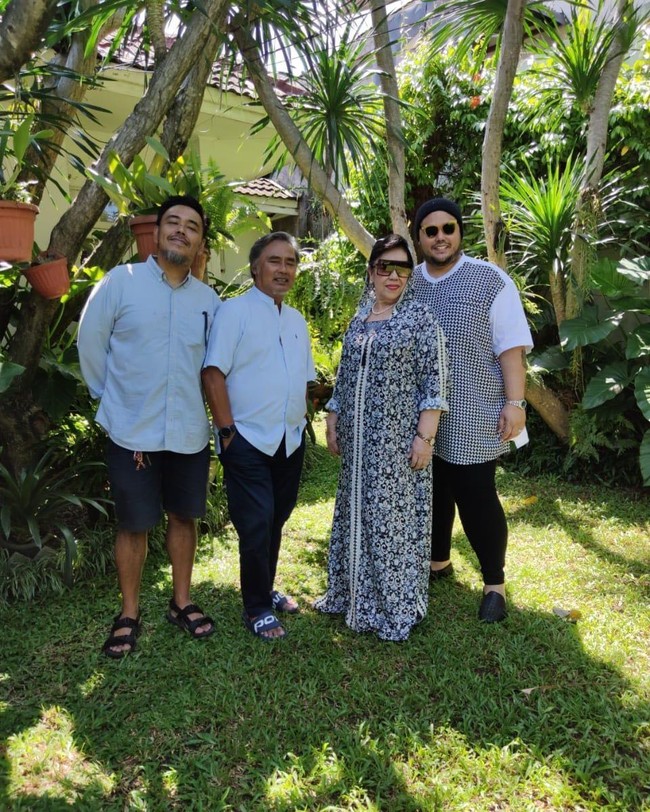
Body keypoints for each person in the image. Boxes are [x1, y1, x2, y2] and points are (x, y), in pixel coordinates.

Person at [78, 195, 221, 658]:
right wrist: (111, 400)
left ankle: (181, 602)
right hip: (132, 431)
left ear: (200, 242)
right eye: (172, 222)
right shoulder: (121, 282)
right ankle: (129, 613)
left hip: (188, 433)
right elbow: (90, 342)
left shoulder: (209, 301)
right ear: (156, 233)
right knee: (134, 524)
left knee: (184, 517)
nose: (181, 230)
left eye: (192, 226)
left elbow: (215, 366)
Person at [314, 234, 449, 642]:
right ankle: (350, 594)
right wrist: (333, 419)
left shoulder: (420, 318)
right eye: (384, 267)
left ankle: (393, 606)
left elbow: (434, 382)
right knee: (356, 513)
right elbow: (344, 377)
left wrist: (425, 438)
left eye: (402, 268)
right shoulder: (359, 318)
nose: (393, 276)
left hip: (397, 445)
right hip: (358, 446)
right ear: (371, 271)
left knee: (391, 522)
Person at [411, 197, 533, 623]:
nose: (440, 237)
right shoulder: (410, 282)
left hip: (473, 409)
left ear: (460, 232)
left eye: (448, 228)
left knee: (476, 495)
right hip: (421, 413)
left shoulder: (489, 280)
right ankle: (438, 562)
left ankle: (494, 585)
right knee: (432, 489)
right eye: (431, 230)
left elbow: (511, 349)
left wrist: (515, 403)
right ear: (420, 237)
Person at [201, 232, 316, 641]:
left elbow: (305, 378)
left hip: (289, 439)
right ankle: (256, 607)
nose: (283, 269)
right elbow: (213, 372)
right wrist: (227, 432)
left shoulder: (296, 320)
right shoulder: (235, 312)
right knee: (256, 523)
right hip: (246, 438)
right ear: (255, 268)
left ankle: (265, 588)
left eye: (290, 262)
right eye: (274, 261)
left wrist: (305, 418)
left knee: (277, 517)